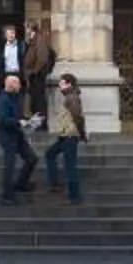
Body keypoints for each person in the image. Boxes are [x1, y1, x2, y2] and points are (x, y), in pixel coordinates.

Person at [0, 74, 38, 203]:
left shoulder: (16, 98)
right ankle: (7, 196)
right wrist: (19, 122)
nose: (20, 86)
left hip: (18, 135)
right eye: (17, 83)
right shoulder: (2, 100)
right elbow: (2, 120)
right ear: (10, 84)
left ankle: (20, 184)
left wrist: (29, 121)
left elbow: (18, 115)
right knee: (10, 165)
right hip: (7, 136)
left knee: (32, 158)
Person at [45, 73, 86, 206]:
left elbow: (77, 117)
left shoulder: (72, 98)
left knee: (70, 166)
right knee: (50, 154)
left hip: (69, 136)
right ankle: (55, 184)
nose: (59, 86)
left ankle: (75, 197)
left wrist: (81, 133)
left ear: (69, 84)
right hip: (65, 136)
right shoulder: (69, 97)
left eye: (62, 83)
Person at [21, 20, 56, 119]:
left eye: (26, 28)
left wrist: (34, 71)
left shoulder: (39, 39)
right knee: (35, 98)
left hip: (38, 75)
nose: (25, 30)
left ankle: (41, 121)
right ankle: (37, 119)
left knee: (38, 99)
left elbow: (42, 58)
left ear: (30, 28)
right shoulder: (33, 40)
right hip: (34, 74)